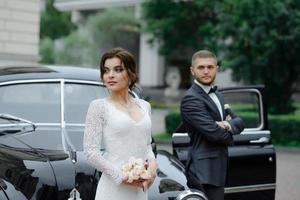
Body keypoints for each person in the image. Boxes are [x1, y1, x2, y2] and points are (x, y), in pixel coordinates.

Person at [83, 47, 157, 200]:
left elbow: (147, 145)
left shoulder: (144, 106)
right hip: (113, 189)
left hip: (140, 190)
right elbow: (91, 153)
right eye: (106, 70)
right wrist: (122, 177)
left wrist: (153, 167)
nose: (110, 75)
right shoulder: (98, 107)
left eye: (118, 69)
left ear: (131, 73)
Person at [180, 50, 245, 200]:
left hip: (217, 168)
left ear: (217, 68)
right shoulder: (191, 99)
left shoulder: (219, 95)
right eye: (201, 67)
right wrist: (230, 133)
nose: (206, 71)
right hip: (203, 171)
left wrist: (225, 124)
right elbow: (214, 133)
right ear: (192, 70)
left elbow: (240, 122)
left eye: (210, 67)